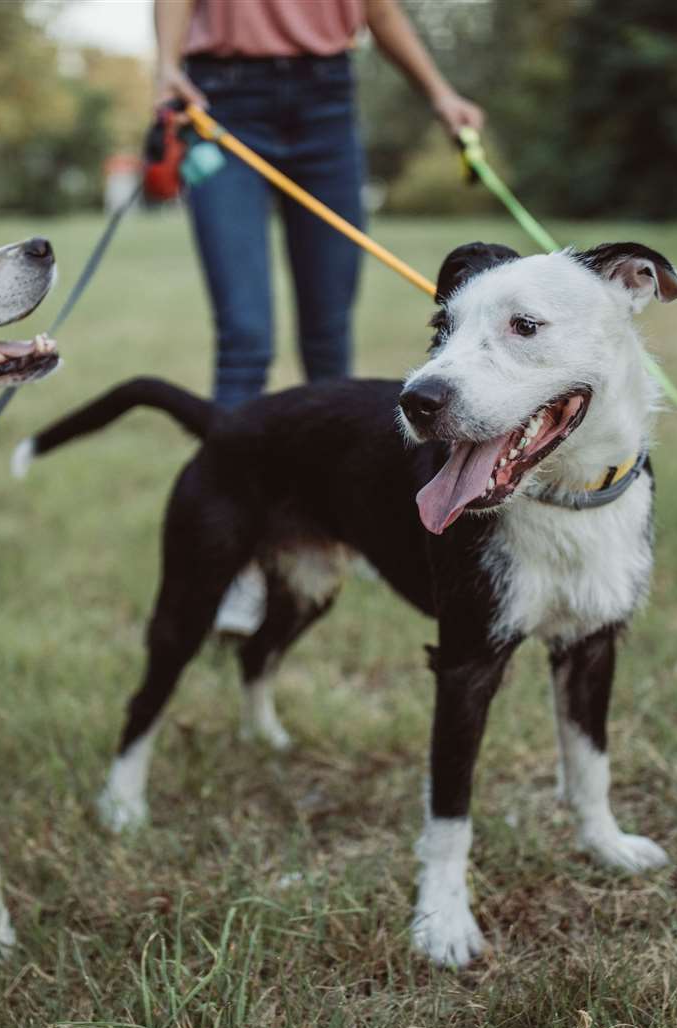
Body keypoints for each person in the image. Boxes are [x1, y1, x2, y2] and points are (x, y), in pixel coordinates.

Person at [154, 0, 484, 633]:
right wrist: (165, 67)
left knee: (329, 339)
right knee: (246, 339)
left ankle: (346, 525)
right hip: (220, 98)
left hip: (327, 98)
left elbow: (379, 13)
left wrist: (441, 94)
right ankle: (237, 559)